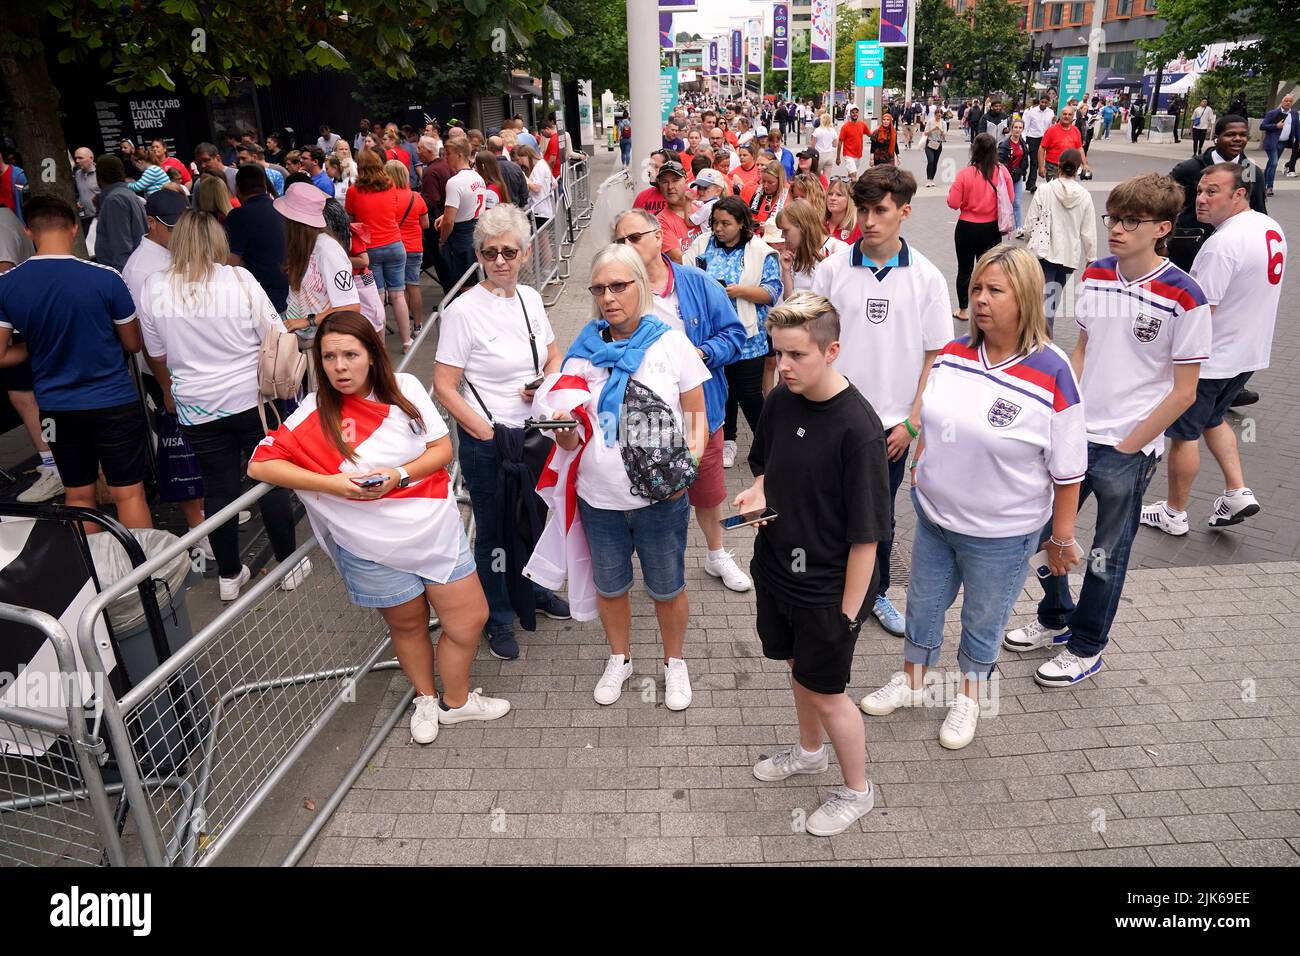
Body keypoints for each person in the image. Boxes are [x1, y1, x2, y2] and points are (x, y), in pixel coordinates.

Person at [862, 245, 1085, 749]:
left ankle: (968, 696)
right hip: (937, 519)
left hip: (1001, 534)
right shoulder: (953, 354)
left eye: (995, 291)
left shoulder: (1053, 372)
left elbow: (1069, 469)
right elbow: (933, 417)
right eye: (977, 289)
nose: (980, 300)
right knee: (922, 605)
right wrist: (921, 460)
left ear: (1025, 298)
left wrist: (1062, 538)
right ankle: (915, 681)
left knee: (982, 619)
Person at [250, 311, 510, 743]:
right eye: (329, 356)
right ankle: (426, 698)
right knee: (407, 625)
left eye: (350, 354)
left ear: (371, 354)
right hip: (369, 546)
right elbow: (260, 463)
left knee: (468, 620)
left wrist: (398, 476)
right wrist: (333, 485)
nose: (339, 366)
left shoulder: (405, 390)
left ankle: (457, 702)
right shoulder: (314, 410)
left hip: (434, 529)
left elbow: (442, 448)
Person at [1003, 173, 1211, 689]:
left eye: (1130, 221)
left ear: (1162, 227)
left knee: (1105, 553)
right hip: (1077, 431)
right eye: (1113, 218)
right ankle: (1054, 619)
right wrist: (1063, 410)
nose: (1116, 229)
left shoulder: (1187, 295)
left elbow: (1185, 391)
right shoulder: (1095, 274)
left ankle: (1086, 646)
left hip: (1128, 444)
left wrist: (1129, 445)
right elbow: (1082, 349)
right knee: (1051, 533)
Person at [736, 290, 891, 836]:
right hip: (777, 570)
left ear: (832, 351)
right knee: (796, 671)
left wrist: (847, 617)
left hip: (830, 590)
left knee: (828, 690)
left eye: (797, 354)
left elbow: (868, 538)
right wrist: (759, 495)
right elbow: (766, 469)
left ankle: (858, 791)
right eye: (778, 353)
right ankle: (808, 753)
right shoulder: (780, 399)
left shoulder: (860, 430)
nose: (784, 366)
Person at [541, 244, 709, 710]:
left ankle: (675, 664)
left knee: (667, 586)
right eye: (599, 289)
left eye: (619, 286)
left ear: (640, 284)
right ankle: (621, 658)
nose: (609, 297)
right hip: (599, 497)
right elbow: (574, 439)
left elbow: (697, 416)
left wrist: (687, 469)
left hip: (660, 498)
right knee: (611, 587)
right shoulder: (582, 354)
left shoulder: (670, 342)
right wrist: (561, 432)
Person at [812, 165, 952, 637]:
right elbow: (813, 342)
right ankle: (833, 586)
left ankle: (876, 593)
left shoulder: (928, 277)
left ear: (904, 212)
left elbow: (936, 356)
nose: (869, 220)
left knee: (880, 517)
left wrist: (913, 422)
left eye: (881, 210)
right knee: (827, 506)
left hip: (890, 425)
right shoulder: (831, 269)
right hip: (833, 418)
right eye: (864, 209)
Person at [137, 210, 302, 599]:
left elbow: (155, 352)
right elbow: (274, 332)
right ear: (217, 241)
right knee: (272, 480)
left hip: (196, 406)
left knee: (218, 489)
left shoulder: (153, 288)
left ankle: (229, 575)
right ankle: (288, 565)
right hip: (252, 398)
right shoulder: (238, 279)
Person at [433, 205, 570, 659]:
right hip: (491, 442)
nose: (501, 261)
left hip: (534, 436)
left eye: (509, 251)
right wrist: (484, 432)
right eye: (490, 253)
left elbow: (553, 356)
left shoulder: (530, 299)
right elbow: (444, 386)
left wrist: (543, 385)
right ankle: (498, 613)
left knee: (534, 516)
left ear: (525, 252)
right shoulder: (462, 312)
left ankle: (531, 591)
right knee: (492, 531)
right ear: (478, 256)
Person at [1141, 163, 1286, 537]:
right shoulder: (1270, 228)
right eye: (1200, 191)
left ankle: (1174, 512)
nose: (1201, 200)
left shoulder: (1222, 244)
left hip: (1212, 359)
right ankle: (1237, 491)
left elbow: (1199, 310)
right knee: (1213, 419)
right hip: (1248, 353)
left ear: (1239, 194)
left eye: (1212, 192)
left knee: (1184, 436)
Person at [612, 208, 750, 593]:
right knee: (646, 490)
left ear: (658, 237)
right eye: (620, 241)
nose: (627, 247)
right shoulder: (617, 291)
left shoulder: (697, 282)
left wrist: (699, 355)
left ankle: (716, 552)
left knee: (706, 490)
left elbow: (734, 334)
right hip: (642, 419)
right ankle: (654, 565)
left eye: (634, 238)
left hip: (700, 410)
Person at [0, 194, 152, 531]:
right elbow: (133, 342)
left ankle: (96, 579)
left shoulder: (6, 286)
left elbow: (1, 355)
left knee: (78, 495)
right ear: (73, 228)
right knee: (128, 493)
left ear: (28, 231)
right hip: (114, 402)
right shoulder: (107, 277)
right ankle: (147, 579)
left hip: (56, 408)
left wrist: (32, 349)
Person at [685, 196, 782, 470]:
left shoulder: (760, 251)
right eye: (715, 222)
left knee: (750, 394)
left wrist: (737, 291)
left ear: (741, 224)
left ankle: (769, 441)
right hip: (711, 337)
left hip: (748, 338)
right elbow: (687, 276)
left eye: (726, 223)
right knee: (720, 389)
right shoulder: (702, 245)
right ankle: (728, 441)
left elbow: (771, 293)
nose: (718, 228)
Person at [0, 205, 60, 503]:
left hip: (17, 328)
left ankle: (55, 467)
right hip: (19, 326)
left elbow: (4, 275)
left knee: (24, 397)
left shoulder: (1, 224)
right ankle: (56, 463)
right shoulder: (8, 219)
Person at [1167, 115, 1268, 274]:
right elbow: (1163, 204)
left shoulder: (1251, 173)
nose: (1237, 139)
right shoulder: (1189, 168)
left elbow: (1259, 212)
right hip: (1188, 249)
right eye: (1230, 134)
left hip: (1231, 253)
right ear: (1216, 138)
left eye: (1242, 135)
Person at [276, 182, 362, 353]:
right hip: (304, 339)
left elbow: (350, 306)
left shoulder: (328, 250)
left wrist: (307, 321)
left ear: (294, 221)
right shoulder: (306, 246)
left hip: (320, 344)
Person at [1017, 148, 1096, 331]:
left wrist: (1029, 239)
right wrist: (1091, 258)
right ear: (1077, 170)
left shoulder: (1045, 190)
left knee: (1042, 299)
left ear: (1058, 166)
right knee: (1052, 299)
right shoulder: (1085, 196)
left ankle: (1041, 338)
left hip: (1044, 253)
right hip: (1069, 256)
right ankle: (1042, 336)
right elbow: (1089, 231)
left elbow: (1030, 222)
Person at [347, 149, 414, 349]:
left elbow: (351, 218)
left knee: (377, 297)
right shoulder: (391, 185)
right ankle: (407, 340)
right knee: (398, 295)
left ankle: (379, 344)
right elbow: (393, 211)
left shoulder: (353, 191)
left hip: (369, 250)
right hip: (395, 244)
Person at [947, 133, 1014, 322]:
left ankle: (963, 310)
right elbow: (1010, 199)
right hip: (992, 229)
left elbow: (953, 202)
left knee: (965, 269)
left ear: (974, 150)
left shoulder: (965, 174)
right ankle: (988, 307)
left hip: (967, 227)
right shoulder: (1002, 172)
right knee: (990, 269)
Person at [384, 160, 430, 337]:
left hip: (393, 245)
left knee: (397, 290)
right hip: (414, 246)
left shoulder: (386, 198)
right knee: (414, 286)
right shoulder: (416, 197)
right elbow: (425, 224)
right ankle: (418, 325)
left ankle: (405, 327)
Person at [775, 198, 847, 294]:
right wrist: (786, 271)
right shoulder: (793, 255)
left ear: (802, 226)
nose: (782, 236)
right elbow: (789, 301)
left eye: (786, 230)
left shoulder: (838, 250)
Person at [93, 154, 146, 271]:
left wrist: (122, 281)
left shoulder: (114, 200)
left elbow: (121, 248)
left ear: (98, 177)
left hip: (122, 272)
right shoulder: (127, 194)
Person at [1038, 104, 1089, 182]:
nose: (1067, 116)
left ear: (1073, 117)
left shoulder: (1076, 130)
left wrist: (1085, 164)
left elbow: (1080, 148)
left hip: (1070, 167)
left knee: (1068, 191)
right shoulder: (1051, 130)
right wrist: (1041, 166)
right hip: (1053, 167)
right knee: (1055, 191)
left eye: (1069, 114)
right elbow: (1042, 148)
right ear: (1060, 115)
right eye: (1064, 114)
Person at [1259, 94, 1297, 197]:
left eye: (1290, 101)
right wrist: (1276, 126)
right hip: (1272, 142)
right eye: (1286, 100)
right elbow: (1262, 126)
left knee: (1271, 164)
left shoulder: (1294, 114)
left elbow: (1296, 128)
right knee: (1274, 163)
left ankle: (1261, 184)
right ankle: (1269, 187)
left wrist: (1298, 140)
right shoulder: (1273, 113)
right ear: (1282, 101)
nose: (1288, 103)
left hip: (1283, 143)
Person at [999, 118, 1030, 226]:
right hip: (1007, 177)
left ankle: (1019, 228)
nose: (1017, 130)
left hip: (1018, 176)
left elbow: (1025, 160)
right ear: (1011, 129)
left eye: (1020, 128)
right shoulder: (1005, 144)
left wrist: (1022, 173)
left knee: (1016, 203)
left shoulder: (1023, 144)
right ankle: (1002, 224)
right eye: (1015, 127)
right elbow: (1000, 161)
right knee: (1005, 202)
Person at [1023, 95, 1054, 192]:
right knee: (1034, 161)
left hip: (1045, 137)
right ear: (1039, 102)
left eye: (1046, 103)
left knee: (1045, 161)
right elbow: (1026, 125)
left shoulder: (1051, 112)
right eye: (1042, 102)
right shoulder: (1031, 112)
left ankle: (1050, 183)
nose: (1043, 104)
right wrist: (1024, 139)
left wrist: (1053, 123)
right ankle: (1031, 184)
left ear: (1048, 103)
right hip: (1033, 137)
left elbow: (1051, 127)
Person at [744, 161, 788, 226]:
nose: (765, 186)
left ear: (780, 181)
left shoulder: (788, 196)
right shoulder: (752, 191)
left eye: (770, 182)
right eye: (763, 181)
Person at [73, 148, 100, 235]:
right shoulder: (77, 174)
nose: (77, 161)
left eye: (80, 158)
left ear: (91, 158)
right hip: (86, 218)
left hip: (101, 217)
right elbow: (83, 192)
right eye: (76, 158)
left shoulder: (100, 173)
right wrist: (80, 202)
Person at [836, 106, 869, 175]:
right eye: (853, 112)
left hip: (858, 154)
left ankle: (848, 185)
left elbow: (870, 134)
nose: (855, 114)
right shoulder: (845, 127)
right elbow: (840, 142)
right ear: (850, 114)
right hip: (848, 154)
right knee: (854, 174)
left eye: (856, 112)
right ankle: (855, 186)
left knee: (851, 175)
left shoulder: (862, 124)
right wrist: (838, 157)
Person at [922, 112, 946, 189]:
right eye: (937, 116)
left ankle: (932, 179)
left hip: (938, 144)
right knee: (931, 161)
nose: (938, 117)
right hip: (930, 143)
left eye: (939, 116)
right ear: (934, 115)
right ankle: (928, 180)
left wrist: (941, 130)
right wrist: (932, 129)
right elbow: (925, 133)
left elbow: (944, 135)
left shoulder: (943, 123)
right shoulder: (930, 121)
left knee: (935, 162)